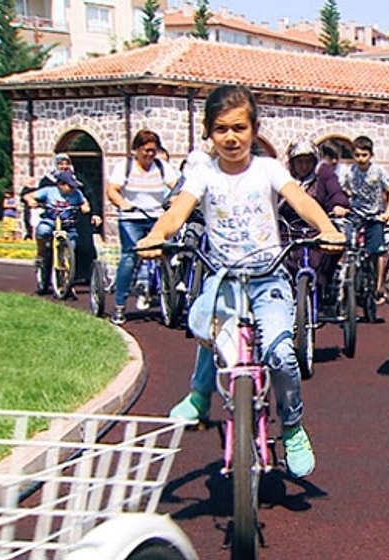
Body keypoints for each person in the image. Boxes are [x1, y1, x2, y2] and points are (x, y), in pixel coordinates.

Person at [138, 85, 344, 478]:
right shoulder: (203, 173)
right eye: (220, 129)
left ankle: (293, 426)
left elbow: (300, 201)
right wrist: (156, 237)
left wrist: (328, 229)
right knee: (204, 324)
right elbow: (179, 210)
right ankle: (199, 396)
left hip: (268, 279)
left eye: (239, 128)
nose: (230, 137)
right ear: (209, 133)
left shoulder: (268, 169)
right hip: (225, 279)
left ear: (253, 129)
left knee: (282, 354)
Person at [106, 130, 181, 325]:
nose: (149, 155)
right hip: (132, 218)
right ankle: (120, 305)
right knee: (130, 258)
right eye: (146, 150)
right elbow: (112, 190)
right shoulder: (125, 167)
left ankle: (168, 295)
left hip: (157, 217)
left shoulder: (162, 167)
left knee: (168, 253)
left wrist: (175, 197)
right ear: (136, 149)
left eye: (153, 151)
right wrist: (123, 204)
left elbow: (176, 186)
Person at [279, 138, 350, 301]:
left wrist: (339, 205)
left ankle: (322, 287)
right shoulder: (283, 177)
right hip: (288, 229)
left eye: (308, 161)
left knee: (329, 250)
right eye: (299, 162)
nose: (304, 166)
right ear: (292, 162)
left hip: (316, 229)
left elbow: (335, 192)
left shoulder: (323, 173)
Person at [341, 135, 389, 306]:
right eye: (357, 155)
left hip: (375, 216)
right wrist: (344, 202)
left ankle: (379, 287)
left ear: (371, 155)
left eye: (364, 155)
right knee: (347, 245)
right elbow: (342, 190)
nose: (361, 159)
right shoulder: (350, 172)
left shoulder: (377, 171)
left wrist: (388, 211)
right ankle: (346, 282)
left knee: (378, 251)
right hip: (355, 215)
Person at [25, 170, 91, 292]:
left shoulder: (76, 193)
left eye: (73, 186)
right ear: (60, 184)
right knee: (43, 230)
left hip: (68, 224)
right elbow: (28, 196)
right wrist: (31, 201)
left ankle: (66, 277)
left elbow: (84, 202)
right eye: (69, 186)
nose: (72, 189)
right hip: (51, 221)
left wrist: (85, 207)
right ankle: (40, 253)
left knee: (72, 245)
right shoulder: (49, 191)